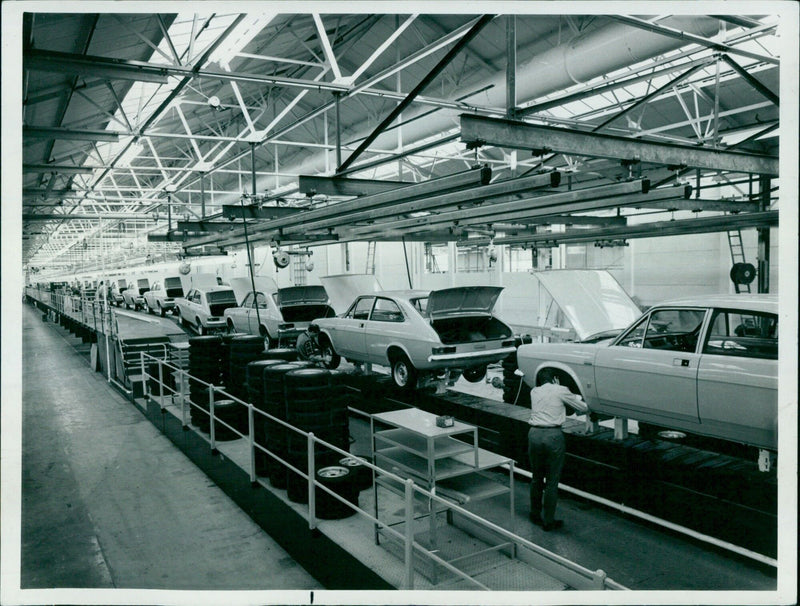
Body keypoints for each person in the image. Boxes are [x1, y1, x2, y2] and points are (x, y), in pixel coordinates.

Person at [527, 369, 588, 531]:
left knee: (536, 477)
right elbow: (583, 408)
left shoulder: (534, 391)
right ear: (555, 379)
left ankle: (534, 513)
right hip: (553, 436)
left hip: (534, 434)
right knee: (552, 481)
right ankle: (548, 521)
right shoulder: (560, 390)